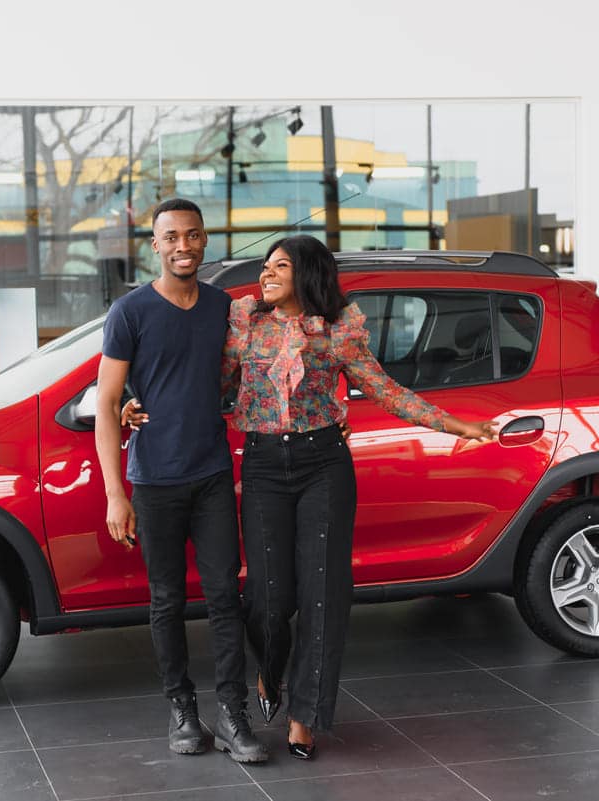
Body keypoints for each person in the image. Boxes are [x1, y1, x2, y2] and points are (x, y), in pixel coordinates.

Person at [126, 235, 494, 760]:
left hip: (324, 464)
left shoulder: (340, 329)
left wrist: (456, 424)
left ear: (308, 274)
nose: (268, 275)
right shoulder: (245, 320)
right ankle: (270, 674)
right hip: (262, 466)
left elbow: (387, 390)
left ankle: (305, 716)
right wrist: (133, 404)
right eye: (267, 266)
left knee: (324, 595)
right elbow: (207, 385)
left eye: (280, 267)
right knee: (268, 599)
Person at [94, 198, 268, 764]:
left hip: (213, 474)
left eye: (192, 236)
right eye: (171, 237)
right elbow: (106, 404)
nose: (183, 247)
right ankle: (182, 707)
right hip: (155, 481)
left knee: (224, 597)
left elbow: (251, 366)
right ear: (155, 244)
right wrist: (116, 494)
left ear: (205, 240)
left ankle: (233, 712)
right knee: (166, 601)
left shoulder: (223, 307)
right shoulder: (130, 312)